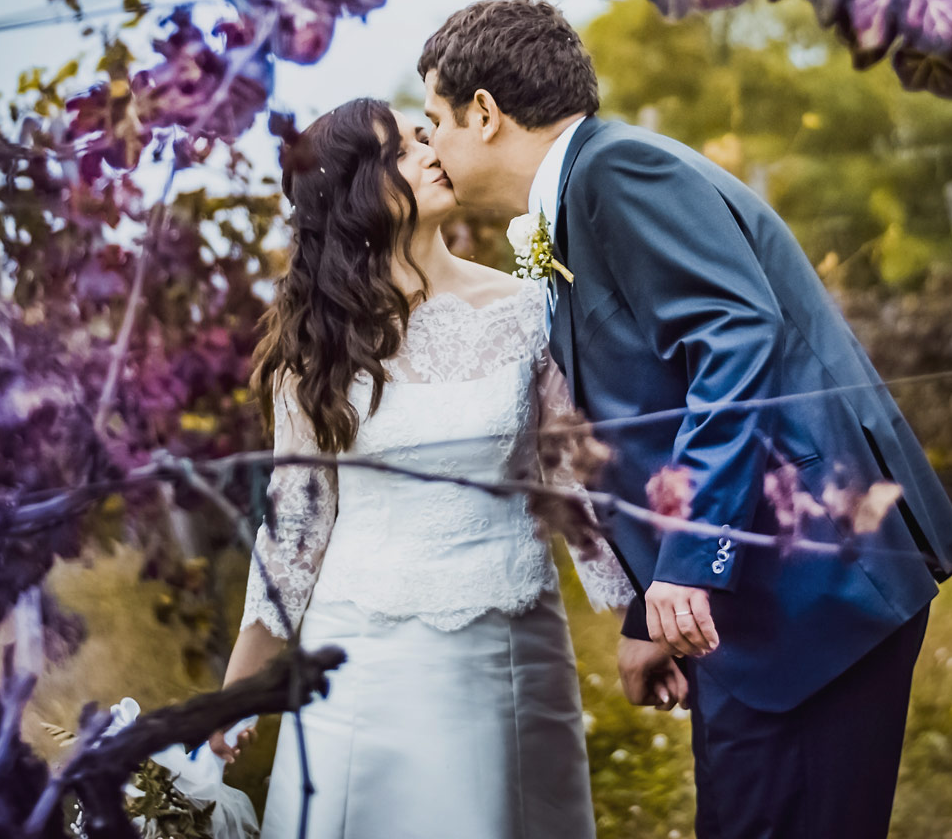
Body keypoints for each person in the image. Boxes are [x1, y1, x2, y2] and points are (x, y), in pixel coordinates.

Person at [418, 0, 952, 839]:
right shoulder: (584, 193)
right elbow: (645, 420)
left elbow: (736, 345)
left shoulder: (618, 175)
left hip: (811, 590)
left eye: (436, 122)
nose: (433, 147)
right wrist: (652, 612)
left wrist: (690, 562)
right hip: (751, 612)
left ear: (487, 114)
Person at [207, 97, 634, 839]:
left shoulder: (529, 309)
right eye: (403, 148)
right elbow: (294, 531)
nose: (433, 149)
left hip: (511, 649)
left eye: (426, 133)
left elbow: (569, 480)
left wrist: (640, 619)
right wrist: (235, 691)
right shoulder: (320, 348)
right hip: (364, 658)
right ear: (354, 190)